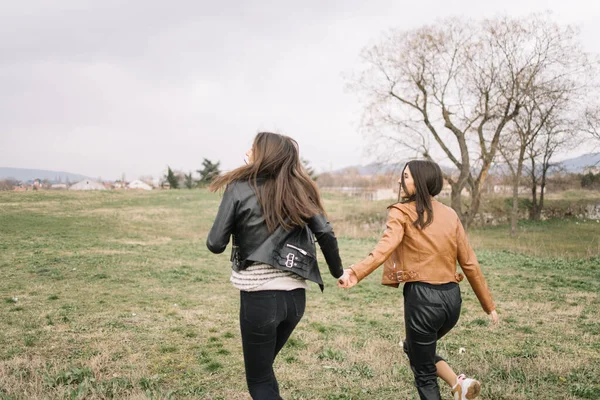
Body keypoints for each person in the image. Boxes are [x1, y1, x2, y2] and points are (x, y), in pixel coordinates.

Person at [338, 160, 499, 400]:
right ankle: (459, 386)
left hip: (423, 301)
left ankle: (458, 386)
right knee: (414, 348)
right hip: (452, 302)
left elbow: (384, 248)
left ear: (421, 182)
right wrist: (489, 306)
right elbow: (469, 263)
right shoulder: (450, 214)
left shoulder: (401, 212)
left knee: (423, 373)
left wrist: (356, 271)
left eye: (407, 176)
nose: (400, 181)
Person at [207, 131, 344, 400]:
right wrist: (339, 271)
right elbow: (325, 233)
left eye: (253, 147)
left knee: (258, 381)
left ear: (263, 153)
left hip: (259, 299)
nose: (247, 151)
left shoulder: (239, 187)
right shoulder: (301, 190)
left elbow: (215, 243)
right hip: (295, 299)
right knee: (265, 373)